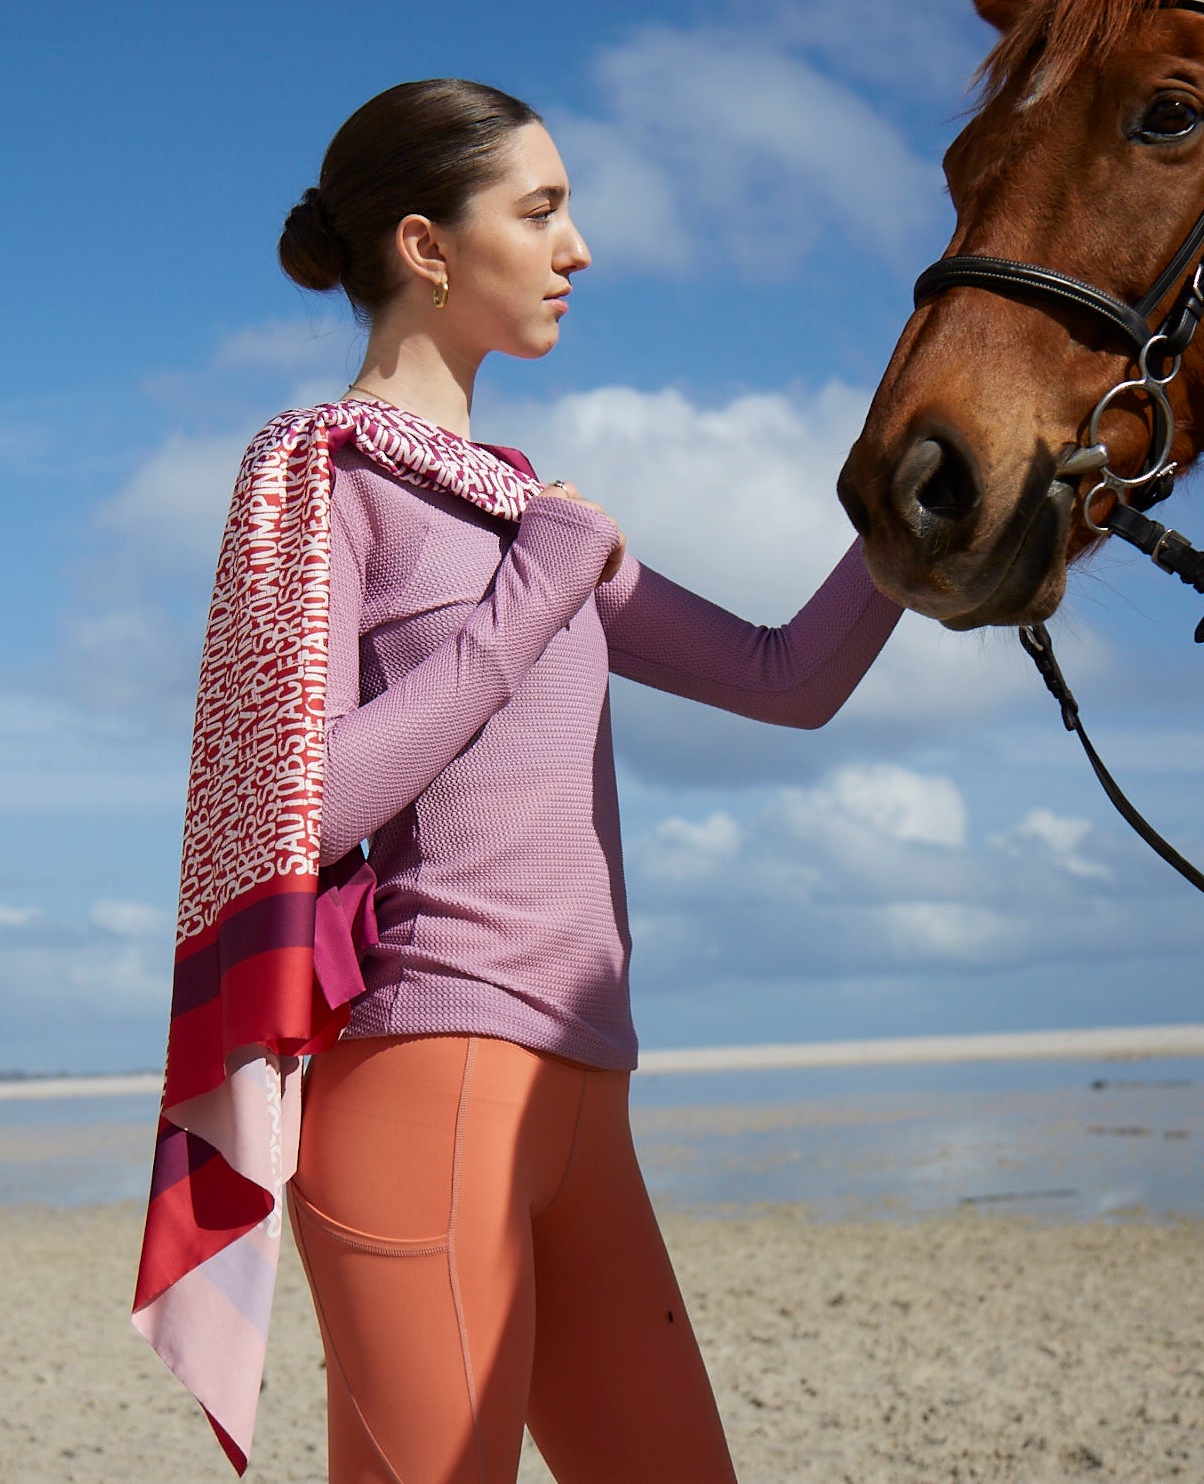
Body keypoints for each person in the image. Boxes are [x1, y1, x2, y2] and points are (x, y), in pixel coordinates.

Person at [133, 80, 901, 1483]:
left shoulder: (535, 514)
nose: (579, 248)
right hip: (424, 1079)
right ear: (427, 247)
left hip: (584, 1093)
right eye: (540, 211)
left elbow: (791, 682)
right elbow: (291, 810)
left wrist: (928, 512)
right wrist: (527, 606)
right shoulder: (325, 472)